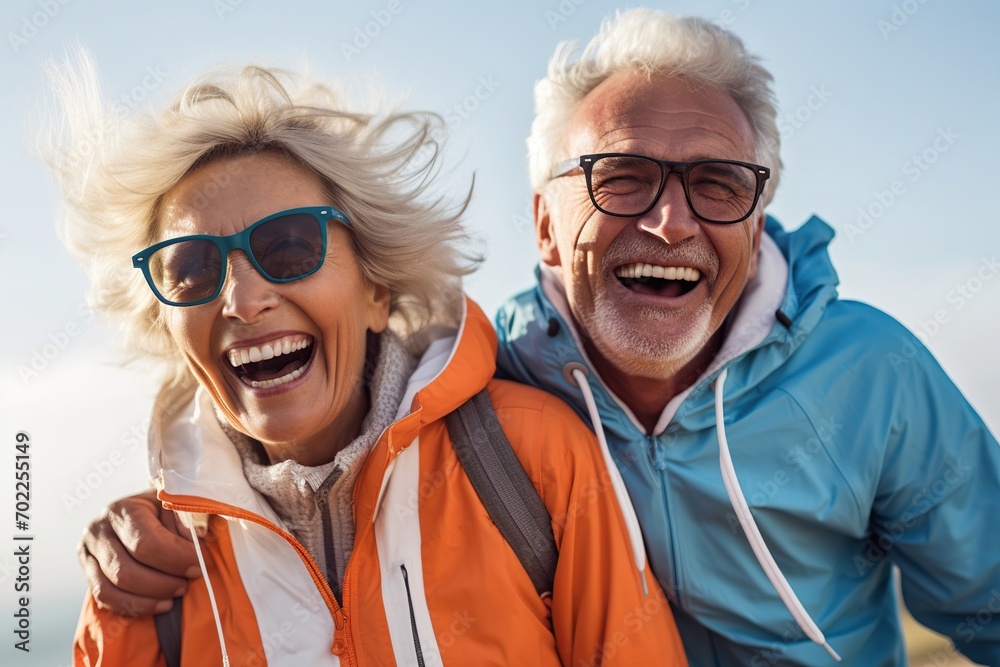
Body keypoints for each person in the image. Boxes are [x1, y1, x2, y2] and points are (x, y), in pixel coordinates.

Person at [77, 8, 1000, 667]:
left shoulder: (871, 373)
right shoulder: (502, 386)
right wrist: (143, 520)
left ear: (758, 219)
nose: (672, 220)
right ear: (547, 228)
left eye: (718, 183)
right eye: (622, 176)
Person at [49, 57, 687, 666]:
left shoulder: (532, 458)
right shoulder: (146, 570)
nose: (242, 300)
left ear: (376, 291)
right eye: (190, 268)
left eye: (292, 246)